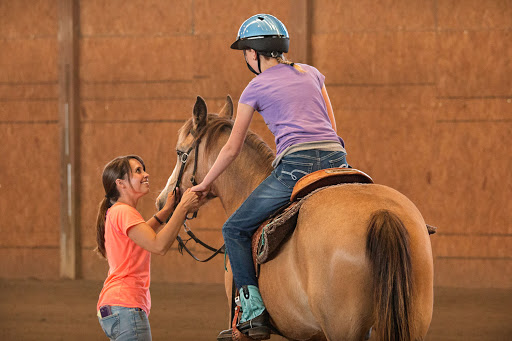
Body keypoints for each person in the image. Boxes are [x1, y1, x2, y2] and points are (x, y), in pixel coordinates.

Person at [190, 14, 349, 340]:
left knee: (234, 228)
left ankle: (253, 313)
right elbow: (332, 129)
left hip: (296, 167)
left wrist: (205, 184)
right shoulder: (312, 73)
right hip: (337, 160)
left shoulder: (255, 87)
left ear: (253, 54)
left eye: (245, 52)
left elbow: (232, 148)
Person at [95, 155, 204, 341]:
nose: (146, 174)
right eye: (138, 171)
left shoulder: (116, 211)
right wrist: (182, 208)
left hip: (114, 308)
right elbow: (158, 245)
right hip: (126, 306)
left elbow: (142, 235)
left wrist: (167, 211)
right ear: (120, 183)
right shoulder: (125, 212)